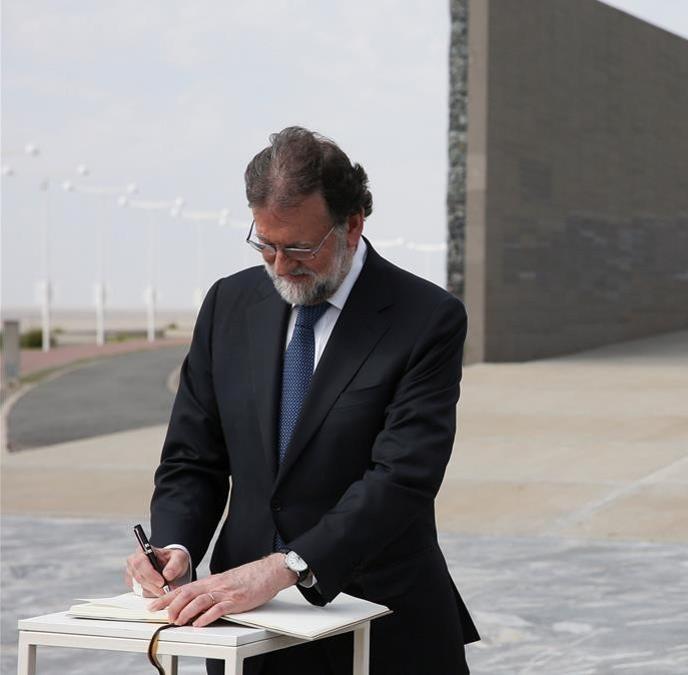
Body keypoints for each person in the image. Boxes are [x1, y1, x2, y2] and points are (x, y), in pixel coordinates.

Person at [124, 126, 479, 674]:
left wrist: (289, 565)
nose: (280, 265)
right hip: (243, 628)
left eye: (299, 248)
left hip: (382, 625)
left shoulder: (426, 318)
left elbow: (402, 476)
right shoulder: (228, 304)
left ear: (353, 225)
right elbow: (193, 459)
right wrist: (176, 548)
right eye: (265, 244)